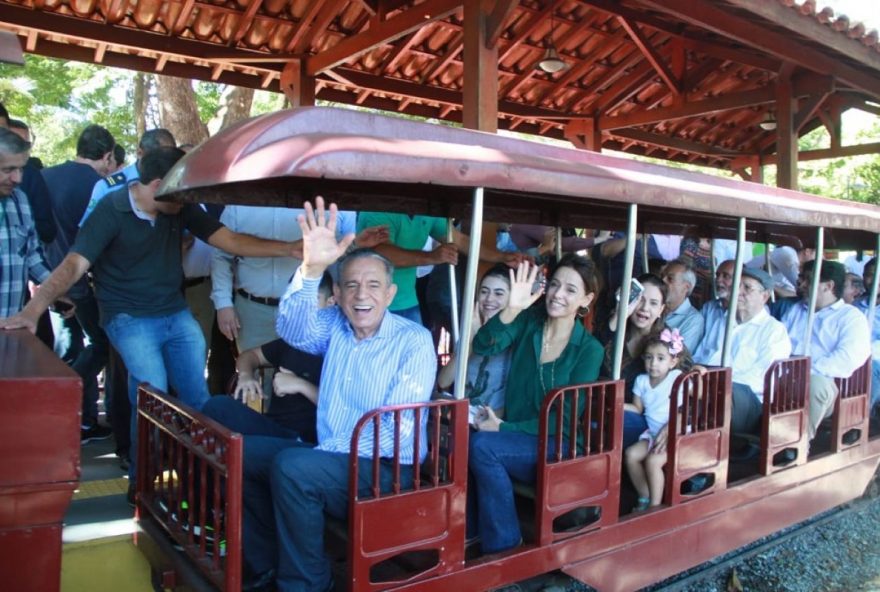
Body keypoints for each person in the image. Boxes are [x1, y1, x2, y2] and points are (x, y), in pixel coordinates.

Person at [0, 147, 310, 491]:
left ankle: (203, 480)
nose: (185, 203)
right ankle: (142, 485)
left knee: (198, 401)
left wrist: (290, 248)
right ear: (160, 184)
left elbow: (231, 240)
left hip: (175, 314)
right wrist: (33, 310)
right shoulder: (112, 208)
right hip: (128, 317)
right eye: (181, 196)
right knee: (153, 395)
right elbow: (74, 264)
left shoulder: (179, 203)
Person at [239, 197, 436, 591]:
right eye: (351, 285)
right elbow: (294, 330)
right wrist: (311, 269)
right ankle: (266, 565)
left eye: (373, 285)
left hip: (386, 470)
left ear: (391, 294)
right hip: (334, 456)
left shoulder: (413, 341)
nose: (362, 295)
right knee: (240, 453)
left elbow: (395, 430)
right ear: (340, 295)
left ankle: (306, 584)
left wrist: (322, 455)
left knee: (295, 468)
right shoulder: (336, 326)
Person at [467, 255, 603, 554]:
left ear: (586, 299)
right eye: (554, 285)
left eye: (570, 289)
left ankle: (504, 547)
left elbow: (563, 422)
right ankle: (472, 533)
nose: (558, 294)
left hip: (559, 444)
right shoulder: (530, 321)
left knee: (483, 446)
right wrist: (513, 308)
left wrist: (503, 427)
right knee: (464, 440)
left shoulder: (590, 350)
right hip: (520, 439)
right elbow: (482, 345)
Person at [42, 124, 117, 442]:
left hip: (49, 279)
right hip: (83, 284)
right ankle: (67, 396)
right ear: (108, 155)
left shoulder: (46, 177)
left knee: (70, 348)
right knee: (99, 345)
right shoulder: (101, 187)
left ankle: (81, 422)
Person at [201, 272, 336, 445]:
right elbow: (250, 356)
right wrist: (246, 376)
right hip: (274, 428)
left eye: (311, 301)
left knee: (236, 450)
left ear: (330, 302)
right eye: (295, 300)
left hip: (306, 440)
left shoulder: (338, 346)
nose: (301, 308)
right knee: (217, 406)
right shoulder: (292, 339)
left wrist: (300, 385)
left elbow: (342, 407)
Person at [356, 212, 521, 323]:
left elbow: (461, 241)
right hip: (370, 303)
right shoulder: (380, 210)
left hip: (408, 302)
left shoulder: (426, 211)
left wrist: (502, 257)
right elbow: (381, 254)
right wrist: (431, 257)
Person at [693, 267, 792, 434]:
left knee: (719, 399)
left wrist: (715, 384)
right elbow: (702, 356)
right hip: (710, 388)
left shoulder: (774, 330)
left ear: (765, 296)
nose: (738, 292)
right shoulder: (723, 322)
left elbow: (761, 379)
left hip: (749, 402)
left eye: (747, 288)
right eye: (737, 286)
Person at [780, 259, 871, 439]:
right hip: (785, 374)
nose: (802, 285)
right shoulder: (796, 310)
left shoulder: (851, 317)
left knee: (815, 385)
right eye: (802, 279)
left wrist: (803, 372)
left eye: (809, 280)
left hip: (827, 385)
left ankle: (797, 444)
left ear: (828, 286)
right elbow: (779, 343)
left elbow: (846, 358)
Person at [436, 264, 512, 416]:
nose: (489, 299)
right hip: (465, 417)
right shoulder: (472, 328)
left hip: (495, 422)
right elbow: (444, 382)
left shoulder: (516, 337)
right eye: (484, 292)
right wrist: (470, 341)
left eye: (499, 294)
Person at [603, 273, 668, 447]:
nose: (644, 308)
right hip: (604, 407)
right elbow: (596, 350)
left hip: (647, 419)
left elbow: (687, 379)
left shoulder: (666, 342)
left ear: (661, 310)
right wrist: (620, 313)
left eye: (653, 303)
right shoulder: (615, 328)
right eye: (640, 300)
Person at [624, 329, 686, 511]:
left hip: (675, 432)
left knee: (653, 461)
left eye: (661, 358)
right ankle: (645, 495)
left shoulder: (676, 378)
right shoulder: (641, 381)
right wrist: (619, 405)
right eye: (649, 357)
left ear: (673, 362)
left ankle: (655, 506)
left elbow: (696, 396)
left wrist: (700, 371)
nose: (653, 364)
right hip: (652, 433)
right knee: (631, 455)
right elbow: (637, 408)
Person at [0, 128, 53, 318]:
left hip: (9, 325)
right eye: (8, 170)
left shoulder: (20, 200)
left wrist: (55, 291)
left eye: (21, 168)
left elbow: (31, 255)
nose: (18, 179)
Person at [79, 128, 176, 225]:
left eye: (169, 159)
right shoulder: (106, 187)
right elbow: (88, 231)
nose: (164, 165)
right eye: (156, 159)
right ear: (140, 153)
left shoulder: (175, 184)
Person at [691, 259, 734, 364]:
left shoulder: (744, 314)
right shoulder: (709, 307)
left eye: (726, 276)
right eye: (717, 275)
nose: (719, 280)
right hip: (696, 367)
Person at [660, 258, 704, 352]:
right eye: (662, 276)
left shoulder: (693, 320)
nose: (663, 281)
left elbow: (680, 358)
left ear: (686, 287)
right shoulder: (655, 307)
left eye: (670, 279)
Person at [854, 257, 880, 413]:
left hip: (874, 358)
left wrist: (865, 352)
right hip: (854, 354)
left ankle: (861, 417)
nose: (874, 279)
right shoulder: (856, 305)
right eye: (869, 275)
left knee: (870, 367)